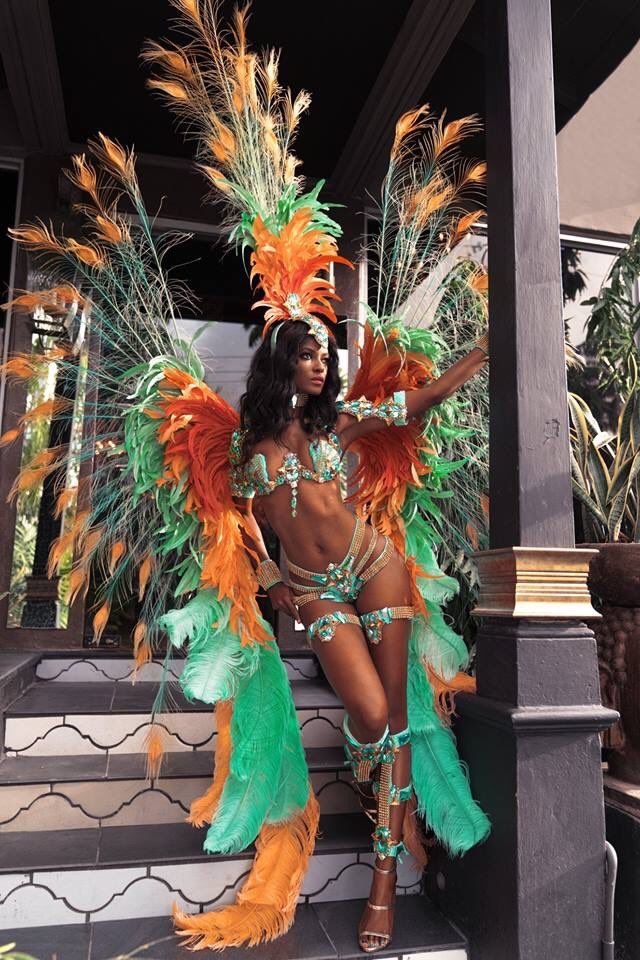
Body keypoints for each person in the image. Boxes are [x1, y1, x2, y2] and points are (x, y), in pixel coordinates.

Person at [229, 320, 489, 952]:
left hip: (375, 567)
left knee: (394, 719)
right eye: (308, 356)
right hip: (316, 590)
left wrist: (481, 354)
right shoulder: (250, 451)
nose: (321, 365)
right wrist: (272, 578)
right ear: (282, 364)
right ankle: (369, 755)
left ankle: (382, 884)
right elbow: (235, 515)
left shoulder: (337, 423)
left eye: (325, 356)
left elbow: (416, 404)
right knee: (371, 713)